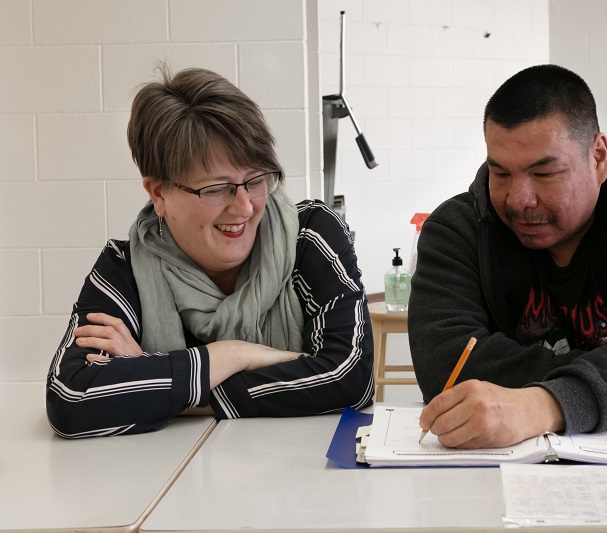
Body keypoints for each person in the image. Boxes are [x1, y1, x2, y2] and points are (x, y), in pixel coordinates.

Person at [409, 64, 607, 449]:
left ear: (598, 157)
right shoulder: (456, 230)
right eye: (501, 174)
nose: (518, 200)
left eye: (544, 174)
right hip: (499, 466)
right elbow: (444, 364)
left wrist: (540, 405)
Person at [46, 67, 374, 438]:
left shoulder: (309, 235)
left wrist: (163, 381)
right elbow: (72, 398)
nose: (245, 207)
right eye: (216, 188)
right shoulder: (125, 269)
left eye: (255, 180)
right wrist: (236, 354)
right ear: (158, 194)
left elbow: (352, 377)